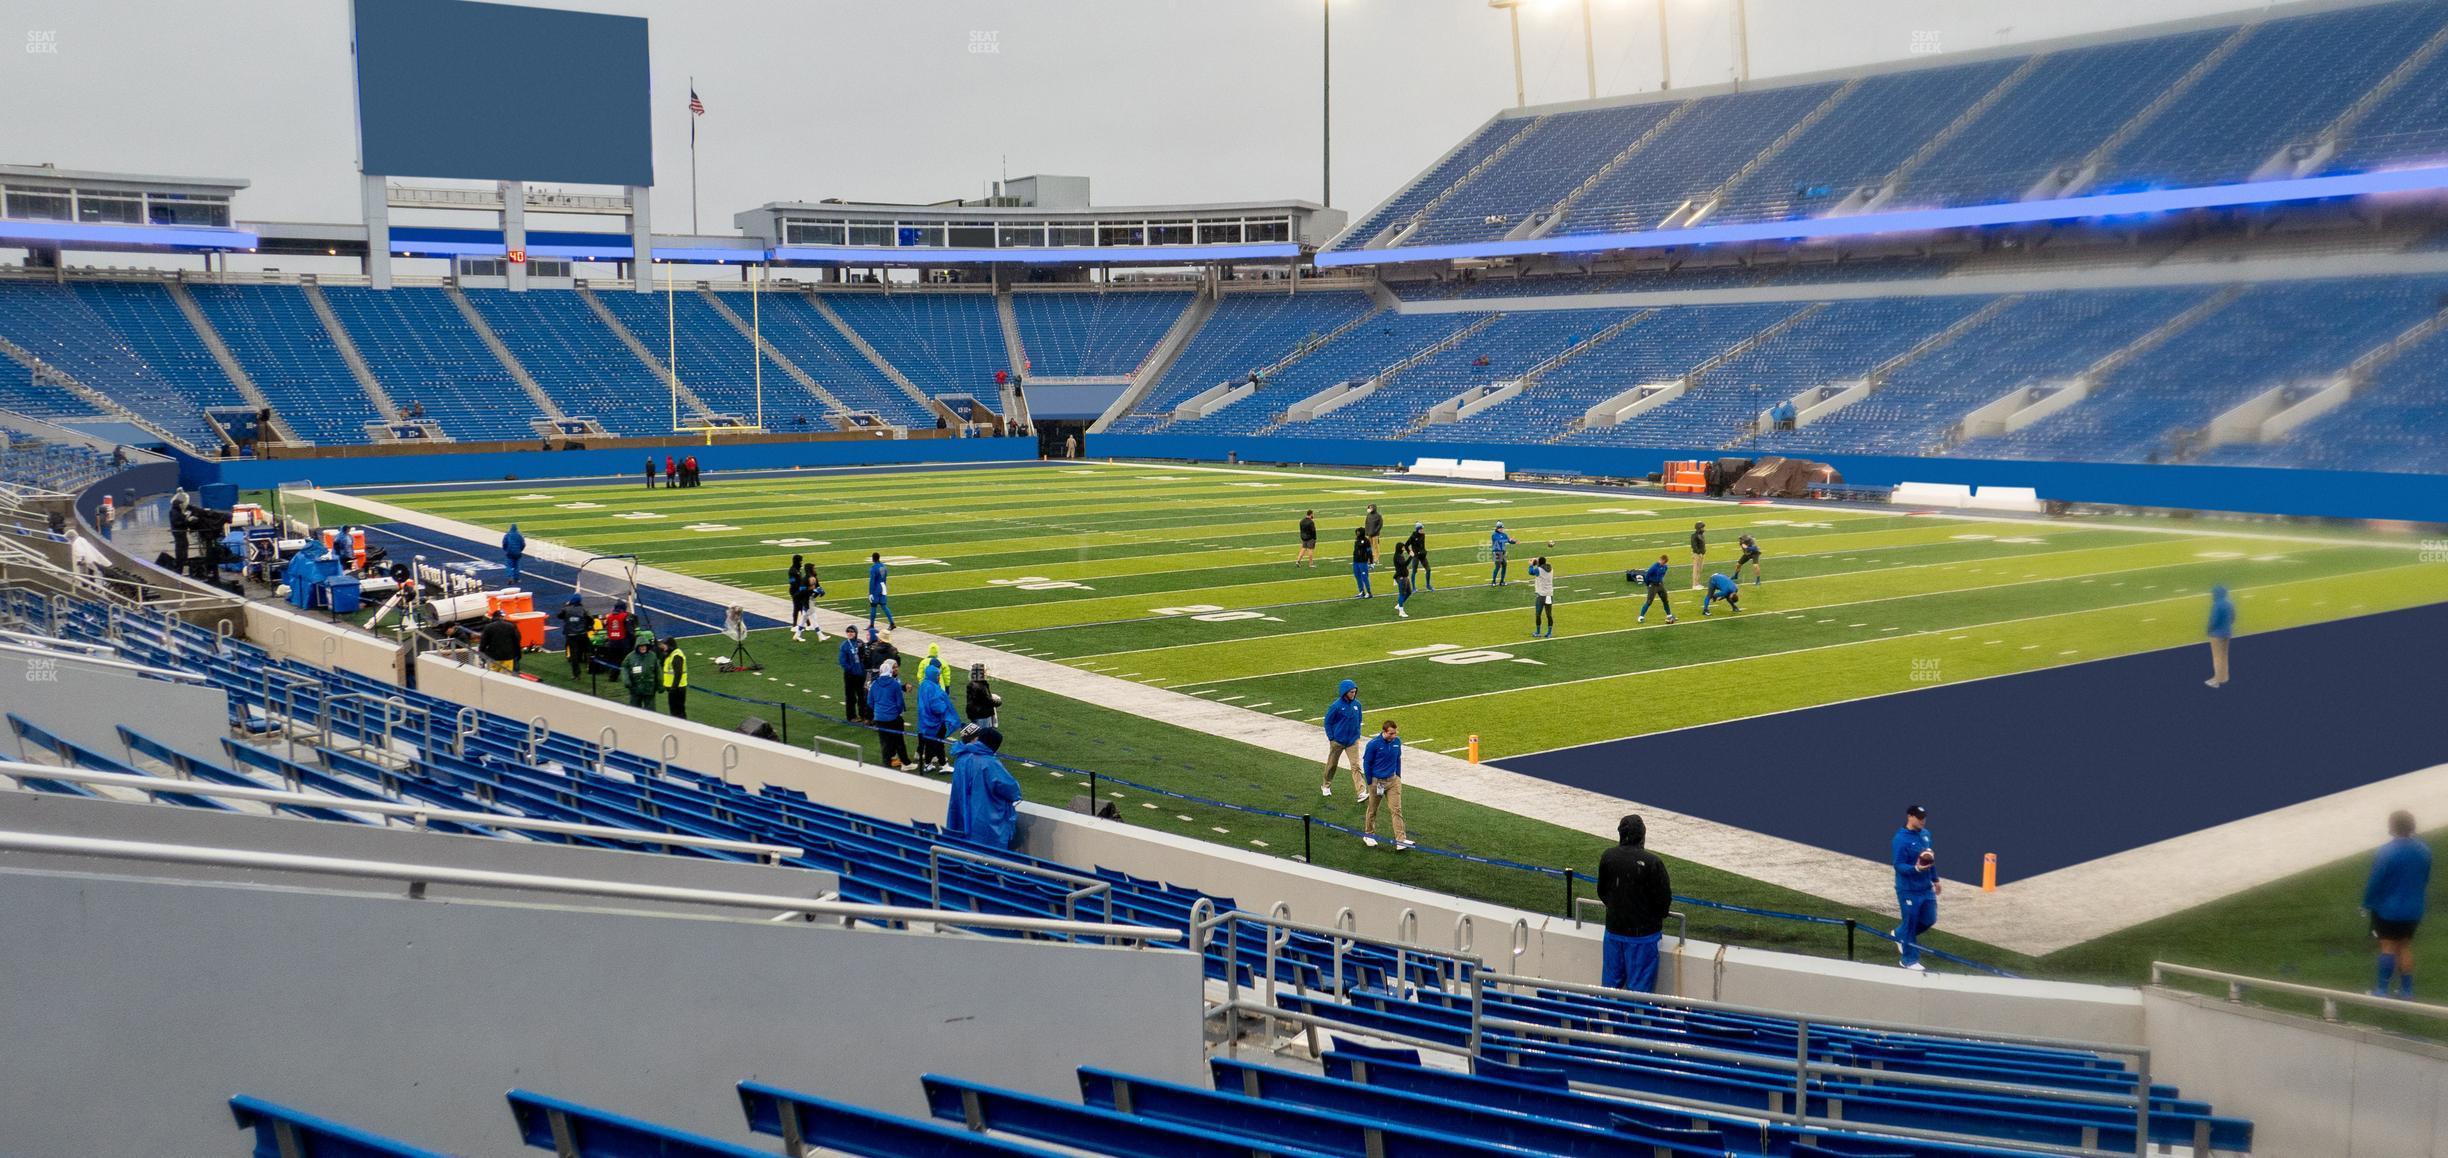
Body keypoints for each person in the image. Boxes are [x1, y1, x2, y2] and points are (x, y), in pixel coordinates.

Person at [1598, 814, 1673, 993]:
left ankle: (1606, 1020)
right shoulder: (1652, 863)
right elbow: (1663, 902)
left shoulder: (1609, 856)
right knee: (1640, 992)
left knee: (1609, 989)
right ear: (1642, 836)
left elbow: (1603, 892)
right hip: (1642, 937)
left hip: (1614, 932)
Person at [2366, 810, 2431, 999]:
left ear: (2392, 827)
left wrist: (2367, 902)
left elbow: (2376, 881)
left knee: (2387, 946)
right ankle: (2407, 991)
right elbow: (2425, 878)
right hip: (2414, 909)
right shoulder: (2424, 850)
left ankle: (2382, 990)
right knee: (2404, 946)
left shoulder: (2386, 851)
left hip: (2389, 909)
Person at [946, 726, 1022, 849]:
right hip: (986, 819)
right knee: (988, 857)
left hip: (962, 814)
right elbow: (1011, 789)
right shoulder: (989, 763)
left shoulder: (961, 757)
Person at [1892, 804, 1939, 972]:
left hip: (1925, 888)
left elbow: (1930, 857)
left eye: (1924, 817)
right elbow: (1898, 865)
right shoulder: (1901, 839)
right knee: (1911, 923)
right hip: (1908, 890)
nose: (1923, 821)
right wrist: (1916, 869)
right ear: (1909, 817)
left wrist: (1935, 879)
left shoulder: (1926, 835)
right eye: (1919, 818)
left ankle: (1899, 934)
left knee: (1929, 919)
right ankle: (1909, 960)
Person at [1360, 720, 1409, 850]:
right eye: (1391, 734)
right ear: (1384, 732)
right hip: (1377, 782)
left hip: (1393, 781)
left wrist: (1398, 775)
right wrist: (1370, 782)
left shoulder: (1397, 742)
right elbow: (1367, 764)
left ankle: (1400, 840)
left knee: (1396, 810)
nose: (1394, 736)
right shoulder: (1373, 744)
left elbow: (1398, 759)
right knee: (1372, 809)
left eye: (1395, 733)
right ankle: (1369, 834)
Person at [1321, 678, 1363, 798]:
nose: (1353, 694)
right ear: (1345, 692)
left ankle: (1361, 792)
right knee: (1332, 765)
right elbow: (1327, 722)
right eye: (1351, 692)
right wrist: (1331, 738)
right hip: (1337, 742)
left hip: (1352, 742)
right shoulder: (1336, 706)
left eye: (1355, 692)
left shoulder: (1357, 705)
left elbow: (1359, 719)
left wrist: (1357, 734)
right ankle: (1326, 785)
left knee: (1356, 766)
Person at [869, 657, 910, 769]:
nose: (896, 669)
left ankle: (888, 761)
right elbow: (899, 702)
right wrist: (896, 712)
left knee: (886, 740)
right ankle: (904, 762)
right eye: (893, 667)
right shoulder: (893, 683)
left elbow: (870, 702)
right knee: (897, 740)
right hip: (893, 716)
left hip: (880, 717)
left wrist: (878, 711)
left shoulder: (875, 684)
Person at [916, 669, 959, 773]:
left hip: (924, 720)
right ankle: (943, 765)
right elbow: (937, 707)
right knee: (939, 743)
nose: (939, 677)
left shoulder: (924, 684)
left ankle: (927, 764)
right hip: (935, 722)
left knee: (930, 744)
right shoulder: (933, 688)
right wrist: (944, 707)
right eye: (938, 675)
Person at [556, 595, 594, 680]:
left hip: (571, 635)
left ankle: (576, 674)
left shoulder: (566, 609)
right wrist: (587, 627)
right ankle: (591, 668)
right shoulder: (583, 609)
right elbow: (591, 619)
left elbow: (559, 616)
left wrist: (566, 607)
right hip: (582, 634)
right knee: (589, 650)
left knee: (574, 655)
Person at [2205, 585, 2235, 688]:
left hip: (2216, 634)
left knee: (2217, 658)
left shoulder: (2217, 604)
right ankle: (2224, 677)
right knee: (2224, 656)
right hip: (2227, 633)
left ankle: (2216, 680)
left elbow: (2213, 620)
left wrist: (2208, 630)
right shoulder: (2229, 603)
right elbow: (2233, 617)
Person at [837, 625, 869, 721]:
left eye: (852, 631)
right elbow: (842, 661)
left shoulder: (860, 642)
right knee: (851, 696)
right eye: (848, 632)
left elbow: (865, 656)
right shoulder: (845, 645)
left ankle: (863, 715)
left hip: (861, 674)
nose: (850, 633)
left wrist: (863, 668)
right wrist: (851, 669)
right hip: (850, 675)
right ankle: (851, 716)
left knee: (862, 696)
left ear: (856, 633)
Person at [1632, 555, 1677, 624]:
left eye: (1665, 562)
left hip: (1660, 585)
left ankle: (1669, 615)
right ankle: (1641, 617)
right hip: (1653, 586)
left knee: (1665, 600)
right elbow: (1647, 575)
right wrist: (1648, 584)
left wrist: (1660, 581)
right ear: (1661, 560)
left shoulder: (1665, 567)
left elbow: (1662, 575)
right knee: (1649, 601)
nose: (1663, 563)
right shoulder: (1654, 567)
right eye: (1663, 562)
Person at [621, 639, 659, 710]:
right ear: (637, 647)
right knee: (635, 710)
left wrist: (660, 684)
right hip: (635, 688)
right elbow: (624, 667)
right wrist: (626, 680)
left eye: (644, 646)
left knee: (650, 711)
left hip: (649, 689)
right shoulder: (630, 657)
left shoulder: (653, 656)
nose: (643, 648)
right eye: (641, 646)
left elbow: (658, 671)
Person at [659, 637, 690, 720]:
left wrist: (673, 688)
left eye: (664, 645)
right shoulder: (669, 654)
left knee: (678, 712)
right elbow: (661, 664)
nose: (663, 647)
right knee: (674, 711)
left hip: (677, 688)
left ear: (670, 646)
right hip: (674, 688)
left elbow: (678, 673)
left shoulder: (676, 655)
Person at [965, 662, 1001, 728]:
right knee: (982, 735)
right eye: (984, 672)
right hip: (982, 715)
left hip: (976, 714)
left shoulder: (972, 684)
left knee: (977, 734)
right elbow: (987, 701)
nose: (986, 673)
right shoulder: (981, 686)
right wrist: (997, 702)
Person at [787, 556, 814, 642]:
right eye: (800, 561)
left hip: (798, 591)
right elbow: (792, 582)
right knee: (798, 607)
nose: (801, 563)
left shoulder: (796, 570)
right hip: (795, 591)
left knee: (801, 607)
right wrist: (798, 591)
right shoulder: (792, 571)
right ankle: (795, 625)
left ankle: (807, 624)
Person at [1529, 555, 1556, 638]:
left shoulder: (1538, 569)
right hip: (1549, 595)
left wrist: (1531, 564)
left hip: (1541, 595)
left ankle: (1538, 632)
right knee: (1549, 615)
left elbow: (1530, 572)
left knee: (1538, 614)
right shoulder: (1551, 569)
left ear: (1539, 563)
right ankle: (1549, 633)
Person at [867, 552, 896, 629]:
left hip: (876, 588)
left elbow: (872, 581)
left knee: (873, 606)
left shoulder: (873, 568)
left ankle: (872, 625)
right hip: (883, 586)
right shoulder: (884, 567)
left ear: (873, 558)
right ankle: (892, 623)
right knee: (884, 606)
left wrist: (870, 593)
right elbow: (885, 578)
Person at [1389, 542, 1416, 619]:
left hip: (1404, 577)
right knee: (1402, 594)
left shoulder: (1399, 555)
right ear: (1400, 548)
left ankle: (1399, 605)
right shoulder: (1398, 556)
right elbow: (1404, 565)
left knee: (1409, 592)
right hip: (1401, 578)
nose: (1404, 549)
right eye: (1403, 547)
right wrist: (1411, 556)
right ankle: (1401, 611)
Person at [1406, 523, 1433, 590]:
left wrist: (1424, 551)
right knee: (1414, 571)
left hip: (1422, 555)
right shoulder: (1413, 536)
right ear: (1418, 529)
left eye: (1422, 529)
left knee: (1428, 569)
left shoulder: (1423, 535)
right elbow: (1406, 545)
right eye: (1421, 529)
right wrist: (1410, 553)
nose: (1422, 530)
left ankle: (1428, 585)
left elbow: (1422, 545)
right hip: (1416, 556)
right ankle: (1414, 588)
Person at [1350, 528, 1375, 599]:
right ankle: (1361, 592)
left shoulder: (1366, 541)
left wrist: (1371, 562)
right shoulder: (1356, 540)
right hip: (1356, 561)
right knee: (1357, 576)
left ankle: (1369, 592)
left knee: (1364, 577)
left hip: (1363, 562)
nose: (1357, 534)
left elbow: (1369, 552)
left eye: (1358, 533)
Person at [1689, 521, 1708, 589]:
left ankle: (1697, 583)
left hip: (1702, 554)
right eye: (1702, 527)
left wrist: (1703, 552)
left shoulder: (1702, 535)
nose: (1703, 528)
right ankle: (1694, 585)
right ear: (1699, 528)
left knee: (1699, 569)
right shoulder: (1694, 536)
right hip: (1697, 555)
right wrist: (1699, 553)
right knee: (1696, 569)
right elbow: (1694, 546)